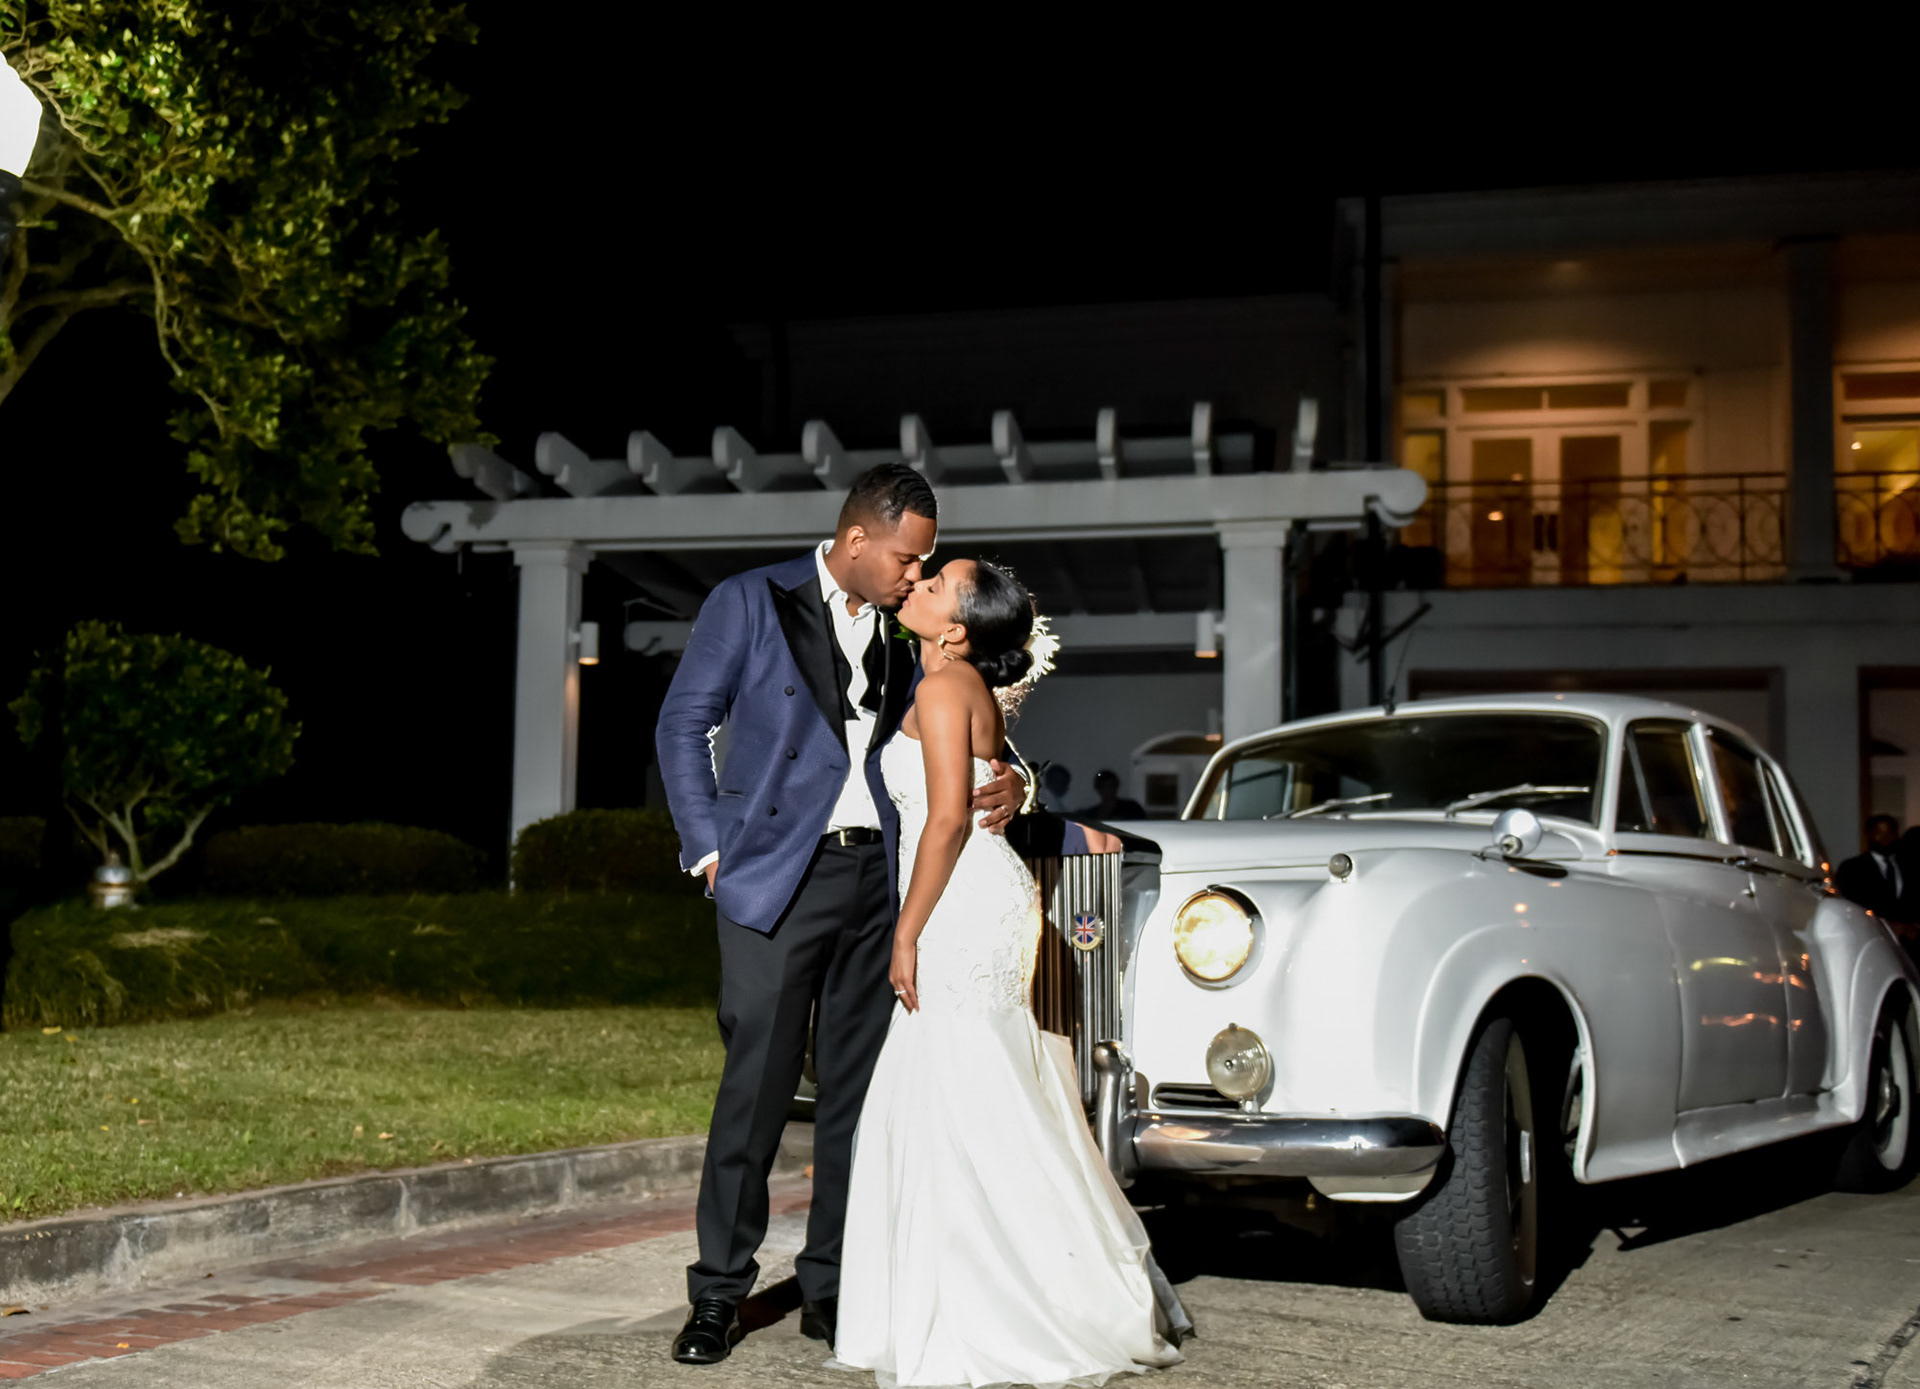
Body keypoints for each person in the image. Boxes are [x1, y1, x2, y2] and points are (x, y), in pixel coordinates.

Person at [654, 465, 1027, 1365]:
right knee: (759, 1086)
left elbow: (971, 731)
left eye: (927, 564)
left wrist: (1021, 780)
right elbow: (683, 722)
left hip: (883, 883)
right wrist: (707, 849)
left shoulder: (912, 634)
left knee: (861, 1097)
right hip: (773, 877)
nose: (916, 575)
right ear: (859, 540)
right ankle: (718, 1294)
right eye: (909, 558)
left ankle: (833, 1285)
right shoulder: (750, 600)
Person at [833, 558, 1185, 1388]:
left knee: (962, 1094)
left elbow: (949, 816)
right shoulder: (953, 682)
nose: (916, 583)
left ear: (956, 626)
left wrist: (905, 931)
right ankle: (997, 1288)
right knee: (977, 1090)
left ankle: (987, 1307)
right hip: (983, 898)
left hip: (959, 903)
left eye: (936, 584)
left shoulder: (942, 687)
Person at [1838, 815, 1909, 923]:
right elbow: (1851, 903)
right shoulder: (1852, 867)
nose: (1885, 838)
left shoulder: (1906, 866)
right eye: (1879, 833)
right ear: (1869, 835)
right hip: (1868, 928)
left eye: (1889, 833)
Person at [1078, 767, 1147, 820]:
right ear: (1099, 789)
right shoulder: (1091, 814)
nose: (1110, 789)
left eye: (1112, 785)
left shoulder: (1131, 807)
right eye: (1105, 786)